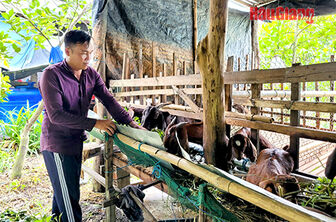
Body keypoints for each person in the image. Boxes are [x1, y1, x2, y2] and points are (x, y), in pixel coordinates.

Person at [39, 30, 144, 222]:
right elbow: (56, 115)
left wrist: (132, 125)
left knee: (63, 193)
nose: (88, 57)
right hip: (57, 145)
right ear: (68, 51)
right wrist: (96, 123)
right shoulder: (51, 75)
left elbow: (109, 101)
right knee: (70, 202)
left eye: (90, 52)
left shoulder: (90, 75)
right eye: (82, 52)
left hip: (75, 141)